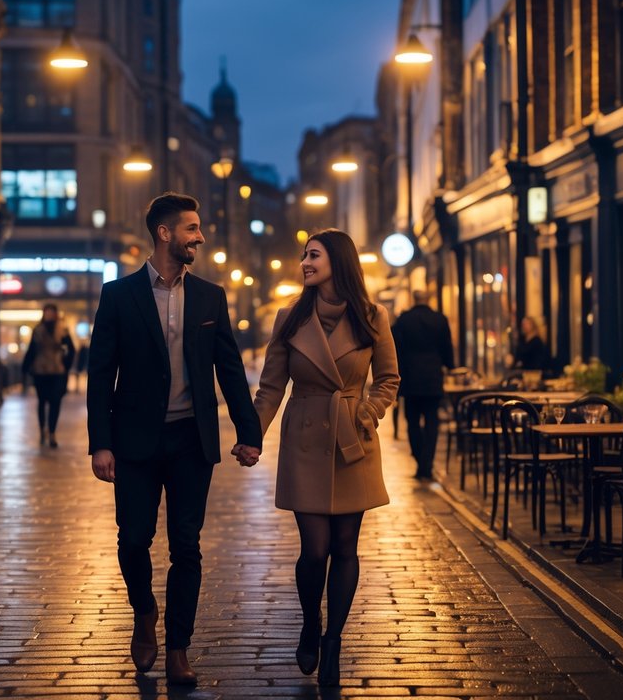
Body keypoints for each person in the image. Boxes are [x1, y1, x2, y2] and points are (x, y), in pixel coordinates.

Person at [87, 192, 262, 687]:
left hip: (191, 441)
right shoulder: (118, 297)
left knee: (187, 546)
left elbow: (229, 370)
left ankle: (178, 648)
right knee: (133, 540)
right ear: (164, 233)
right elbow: (101, 375)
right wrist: (101, 443)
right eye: (191, 228)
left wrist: (248, 433)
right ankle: (144, 612)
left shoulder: (210, 296)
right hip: (134, 443)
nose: (200, 236)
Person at [250, 228, 400, 688]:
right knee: (314, 550)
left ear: (338, 260)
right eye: (303, 256)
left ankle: (333, 639)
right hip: (306, 440)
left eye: (313, 255)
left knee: (345, 547)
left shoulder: (373, 316)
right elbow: (272, 385)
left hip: (351, 439)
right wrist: (252, 435)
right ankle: (310, 625)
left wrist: (368, 413)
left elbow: (389, 378)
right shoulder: (291, 317)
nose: (305, 263)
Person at [391, 290, 455, 481]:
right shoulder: (439, 320)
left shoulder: (404, 321)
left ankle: (421, 461)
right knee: (431, 421)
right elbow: (447, 347)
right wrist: (449, 366)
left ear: (414, 300)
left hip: (410, 377)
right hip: (433, 377)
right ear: (428, 299)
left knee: (412, 421)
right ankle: (427, 464)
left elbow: (396, 349)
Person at [23, 303, 75, 448]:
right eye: (47, 312)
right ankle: (42, 429)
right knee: (42, 401)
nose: (49, 315)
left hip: (57, 371)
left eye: (52, 312)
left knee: (55, 402)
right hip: (41, 371)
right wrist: (26, 367)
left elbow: (71, 350)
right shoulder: (38, 330)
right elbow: (31, 350)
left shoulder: (63, 330)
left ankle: (52, 432)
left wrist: (66, 365)